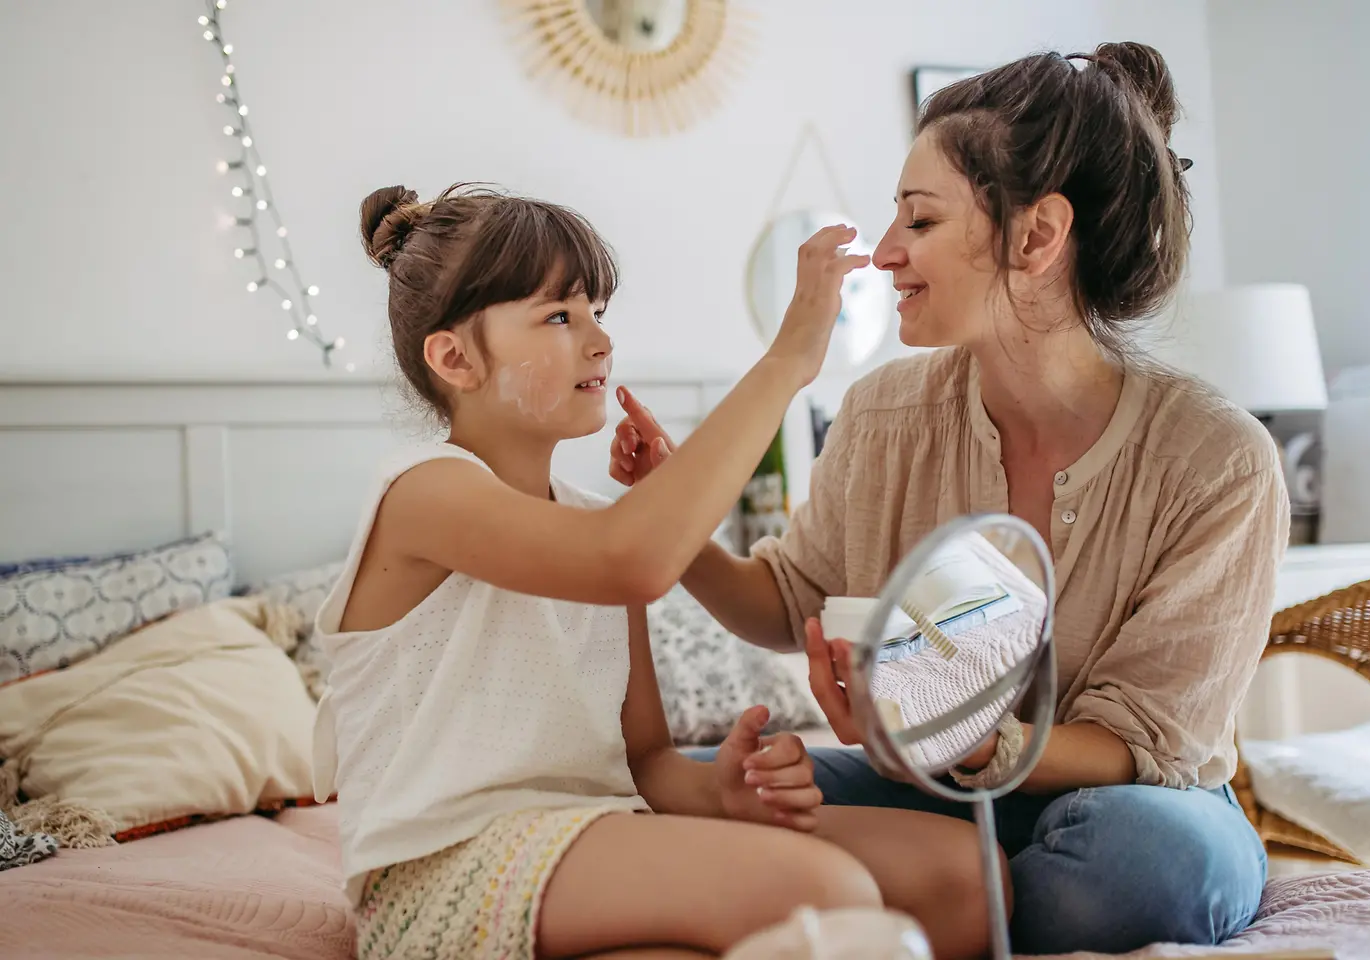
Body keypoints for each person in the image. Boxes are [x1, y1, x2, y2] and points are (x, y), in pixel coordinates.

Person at [609, 42, 1286, 955]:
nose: (884, 252)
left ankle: (938, 900)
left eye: (918, 221)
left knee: (1151, 868)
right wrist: (671, 507)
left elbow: (1147, 742)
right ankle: (954, 894)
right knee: (677, 790)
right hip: (923, 788)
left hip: (1130, 806)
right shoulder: (883, 412)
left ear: (1038, 236)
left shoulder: (1217, 463)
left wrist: (971, 743)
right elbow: (787, 603)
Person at [310, 183, 998, 960]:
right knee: (826, 893)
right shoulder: (423, 491)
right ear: (454, 358)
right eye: (560, 316)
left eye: (598, 313)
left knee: (966, 874)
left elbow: (647, 764)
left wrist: (722, 793)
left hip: (601, 830)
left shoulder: (599, 527)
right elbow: (632, 558)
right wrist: (788, 359)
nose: (599, 341)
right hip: (446, 864)